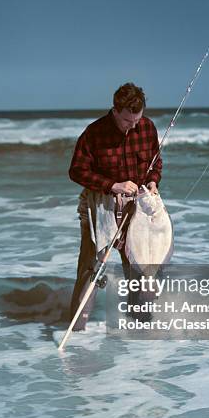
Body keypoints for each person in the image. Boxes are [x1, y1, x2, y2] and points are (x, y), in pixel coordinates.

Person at [68, 82, 163, 330]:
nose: (132, 126)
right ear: (115, 110)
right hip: (99, 205)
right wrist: (113, 185)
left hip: (138, 208)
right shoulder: (94, 133)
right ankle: (76, 329)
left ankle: (140, 327)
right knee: (92, 267)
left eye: (136, 120)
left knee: (139, 266)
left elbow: (155, 163)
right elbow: (77, 171)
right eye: (126, 121)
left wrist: (153, 181)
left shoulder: (147, 127)